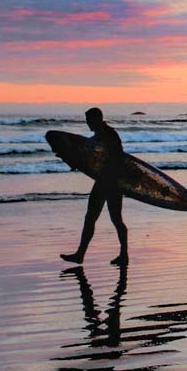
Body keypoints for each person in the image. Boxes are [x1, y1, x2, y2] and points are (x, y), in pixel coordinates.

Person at [61, 107, 128, 266]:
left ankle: (81, 254)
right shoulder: (106, 134)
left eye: (88, 120)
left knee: (95, 218)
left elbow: (95, 155)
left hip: (107, 182)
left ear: (97, 119)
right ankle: (122, 254)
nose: (87, 123)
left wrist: (73, 159)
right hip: (111, 182)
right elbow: (92, 157)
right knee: (113, 219)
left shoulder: (106, 136)